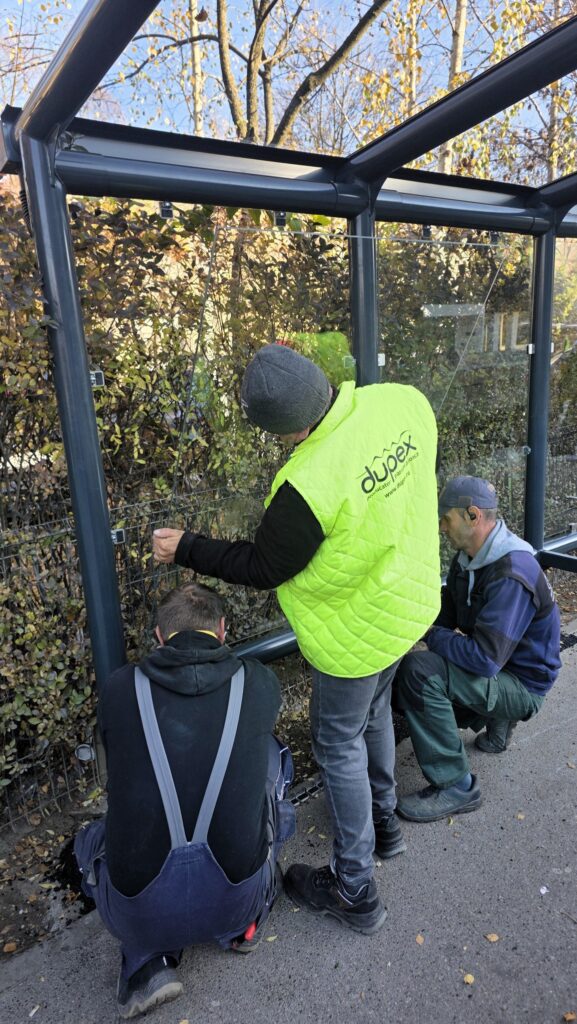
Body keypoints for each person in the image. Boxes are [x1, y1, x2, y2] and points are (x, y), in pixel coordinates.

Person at [153, 343, 440, 935]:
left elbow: (263, 566)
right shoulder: (402, 404)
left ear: (290, 427)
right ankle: (384, 826)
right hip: (407, 608)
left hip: (355, 636)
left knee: (338, 743)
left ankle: (355, 886)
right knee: (376, 714)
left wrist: (185, 547)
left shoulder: (306, 485)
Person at [74, 582, 294, 1019]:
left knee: (89, 841)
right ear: (224, 630)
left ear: (159, 636)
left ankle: (147, 962)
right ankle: (243, 930)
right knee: (273, 759)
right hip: (237, 899)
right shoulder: (259, 683)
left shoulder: (119, 691)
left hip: (137, 914)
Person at [395, 475, 561, 823]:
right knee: (421, 670)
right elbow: (448, 614)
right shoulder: (468, 559)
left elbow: (484, 659)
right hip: (506, 665)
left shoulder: (512, 572)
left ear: (472, 515)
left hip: (523, 685)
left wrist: (428, 638)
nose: (441, 528)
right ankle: (499, 725)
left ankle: (456, 785)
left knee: (418, 674)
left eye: (446, 519)